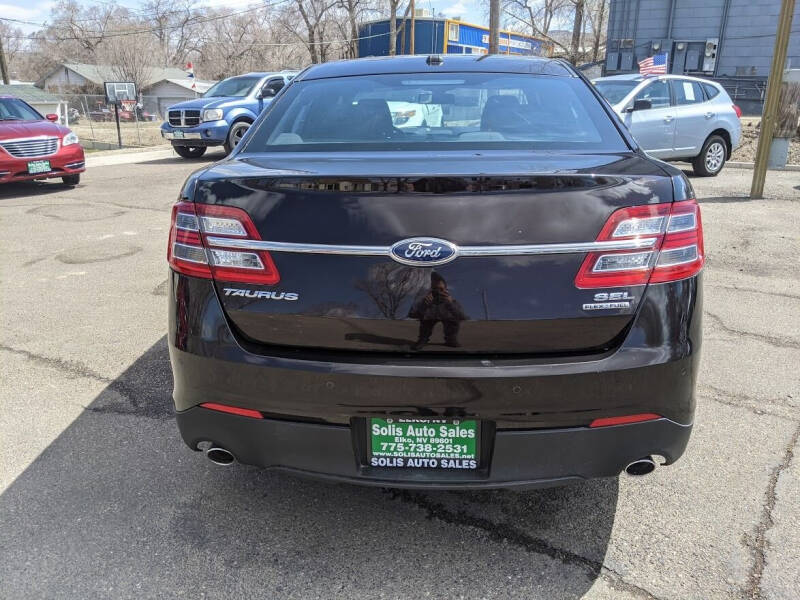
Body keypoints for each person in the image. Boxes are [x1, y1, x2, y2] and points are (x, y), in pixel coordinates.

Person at [408, 272, 466, 350]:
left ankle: (451, 339)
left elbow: (462, 316)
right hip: (429, 318)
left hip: (447, 318)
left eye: (441, 289)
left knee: (454, 319)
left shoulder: (451, 301)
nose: (438, 292)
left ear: (446, 290)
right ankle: (423, 339)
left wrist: (451, 304)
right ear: (431, 290)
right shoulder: (425, 300)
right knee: (425, 320)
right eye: (435, 289)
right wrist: (424, 306)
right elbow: (411, 314)